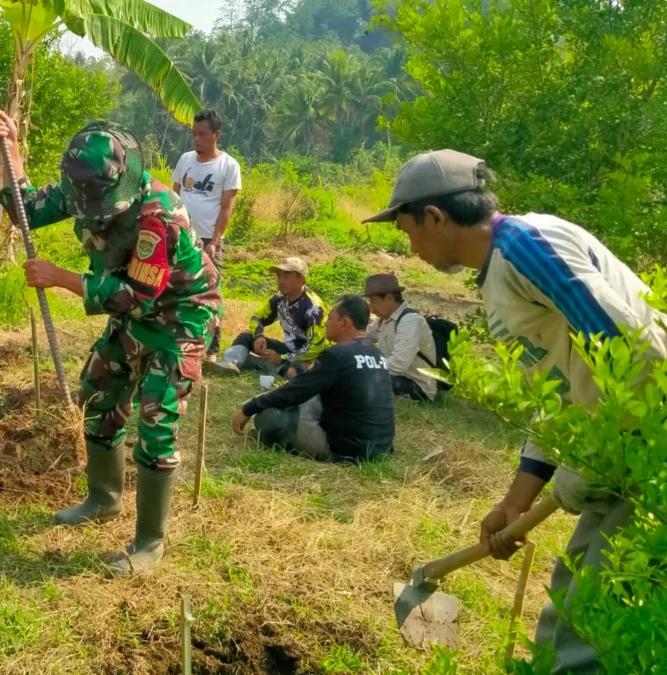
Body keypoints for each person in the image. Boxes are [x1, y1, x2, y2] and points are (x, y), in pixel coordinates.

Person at [366, 148, 667, 675]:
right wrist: (515, 501)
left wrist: (595, 456)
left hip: (645, 451)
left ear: (434, 216)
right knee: (571, 610)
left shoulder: (527, 246)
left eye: (407, 230)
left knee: (586, 632)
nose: (410, 247)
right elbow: (557, 396)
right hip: (621, 457)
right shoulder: (501, 274)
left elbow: (641, 350)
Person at [0, 104, 221, 577]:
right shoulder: (83, 187)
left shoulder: (160, 215)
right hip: (133, 312)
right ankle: (103, 498)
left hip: (180, 317)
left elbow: (136, 293)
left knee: (156, 415)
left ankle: (150, 543)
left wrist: (61, 277)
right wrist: (8, 148)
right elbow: (26, 210)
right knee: (99, 389)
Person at [233, 294, 394, 463]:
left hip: (349, 449)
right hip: (380, 446)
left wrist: (249, 408)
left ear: (344, 323)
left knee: (270, 417)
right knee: (314, 399)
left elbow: (296, 391)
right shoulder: (376, 353)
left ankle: (271, 437)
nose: (325, 323)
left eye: (330, 318)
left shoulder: (337, 355)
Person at [172, 109, 241, 358]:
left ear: (216, 135)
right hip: (181, 237)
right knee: (178, 289)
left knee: (210, 293)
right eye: (194, 134)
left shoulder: (228, 166)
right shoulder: (185, 161)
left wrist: (214, 241)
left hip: (207, 240)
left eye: (202, 134)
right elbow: (174, 198)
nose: (197, 139)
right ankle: (180, 341)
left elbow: (226, 208)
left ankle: (211, 350)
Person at [207, 257, 328, 377]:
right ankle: (229, 364)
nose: (280, 281)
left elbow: (315, 346)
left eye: (286, 276)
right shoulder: (279, 298)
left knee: (295, 372)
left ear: (301, 279)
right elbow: (257, 318)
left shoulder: (314, 308)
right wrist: (259, 336)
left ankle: (261, 364)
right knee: (246, 337)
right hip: (289, 347)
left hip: (309, 356)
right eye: (279, 276)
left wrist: (281, 358)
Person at [362, 273, 438, 402]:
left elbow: (399, 364)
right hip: (395, 377)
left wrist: (366, 368)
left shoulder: (410, 321)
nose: (371, 308)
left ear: (389, 297)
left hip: (416, 386)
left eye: (373, 301)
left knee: (362, 379)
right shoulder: (383, 320)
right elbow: (364, 337)